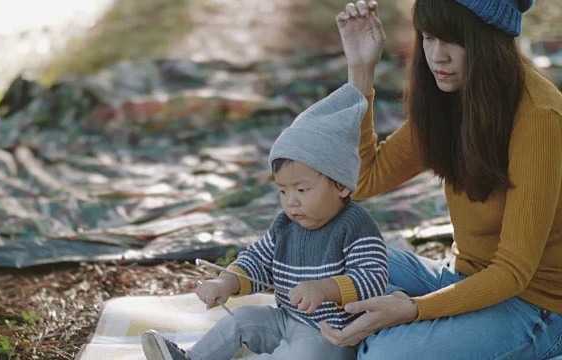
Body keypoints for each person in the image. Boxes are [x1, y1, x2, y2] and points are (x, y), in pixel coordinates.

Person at [319, 0, 562, 358]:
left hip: (534, 305)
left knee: (388, 353)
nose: (437, 56)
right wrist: (360, 69)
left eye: (454, 40)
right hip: (462, 276)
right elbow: (362, 179)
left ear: (490, 40)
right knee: (318, 257)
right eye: (429, 38)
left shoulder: (539, 118)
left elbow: (512, 272)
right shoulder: (450, 96)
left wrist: (413, 310)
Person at [141, 83, 389, 360]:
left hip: (331, 335)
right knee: (242, 319)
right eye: (282, 190)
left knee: (302, 356)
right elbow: (259, 260)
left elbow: (373, 277)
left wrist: (324, 288)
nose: (291, 200)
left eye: (301, 189)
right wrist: (226, 284)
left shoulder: (355, 226)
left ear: (341, 185)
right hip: (285, 320)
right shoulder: (286, 225)